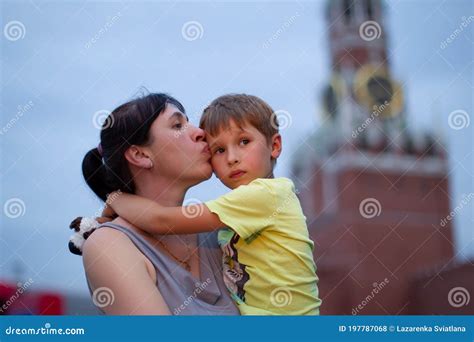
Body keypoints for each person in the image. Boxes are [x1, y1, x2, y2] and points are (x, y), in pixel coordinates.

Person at [104, 94, 322, 315]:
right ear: (139, 154)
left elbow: (160, 220)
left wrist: (115, 199)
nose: (232, 158)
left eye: (244, 142)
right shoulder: (110, 244)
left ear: (274, 145)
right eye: (219, 150)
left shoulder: (265, 195)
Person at [77, 92, 239, 315]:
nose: (201, 132)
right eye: (177, 125)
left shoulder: (221, 234)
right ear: (140, 154)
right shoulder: (109, 245)